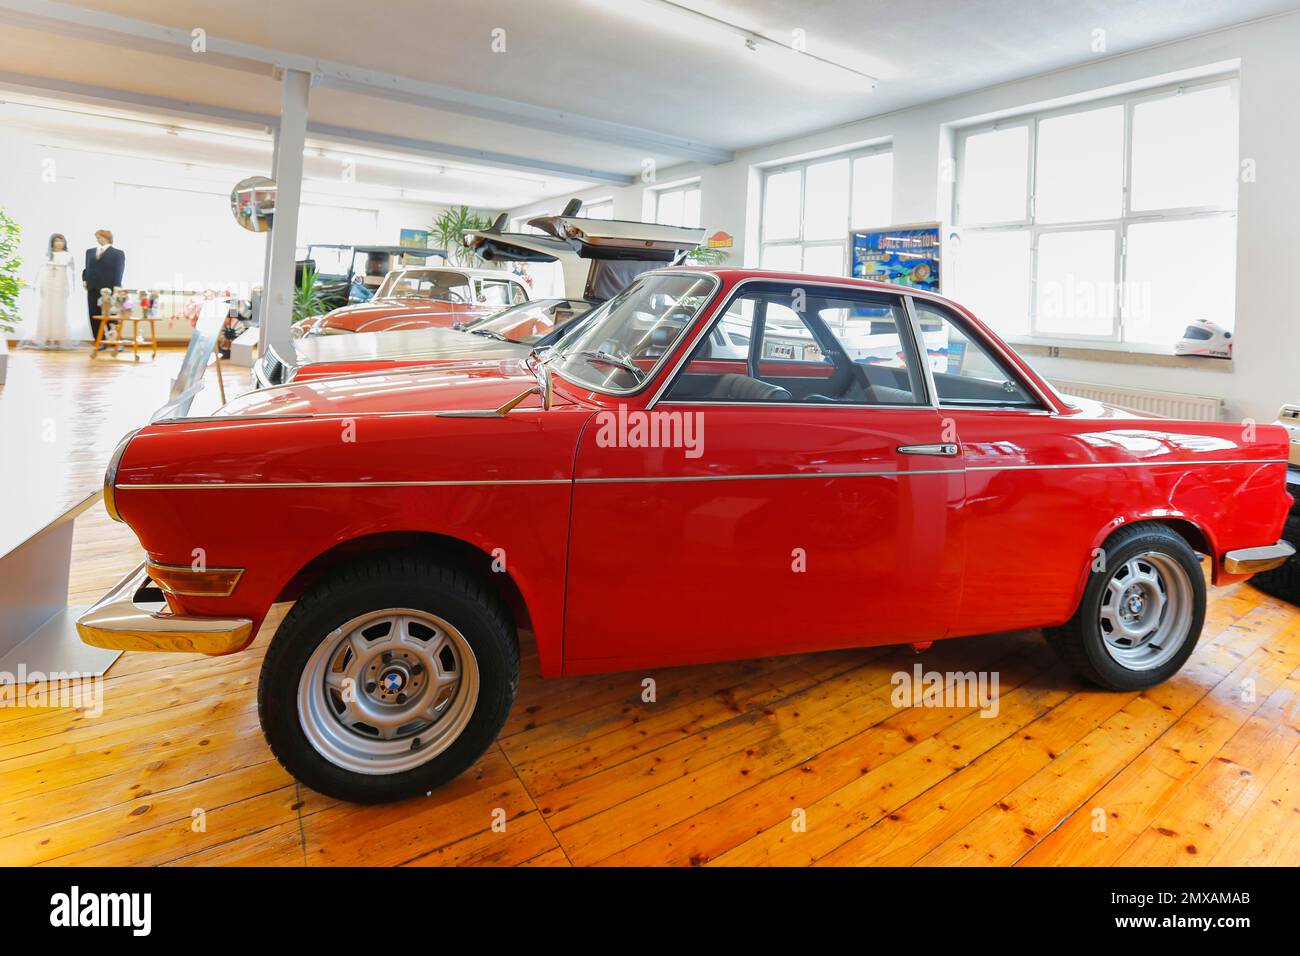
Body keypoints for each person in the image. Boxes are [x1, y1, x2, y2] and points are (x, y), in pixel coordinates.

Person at [23, 233, 79, 349]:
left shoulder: (68, 255)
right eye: (56, 241)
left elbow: (73, 272)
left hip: (61, 285)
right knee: (46, 310)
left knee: (60, 310)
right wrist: (35, 285)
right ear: (52, 242)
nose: (59, 243)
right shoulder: (46, 255)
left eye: (61, 241)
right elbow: (38, 271)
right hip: (47, 285)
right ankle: (45, 337)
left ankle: (59, 338)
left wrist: (72, 287)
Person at [83, 229, 125, 348]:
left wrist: (116, 287)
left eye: (100, 237)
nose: (98, 239)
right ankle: (99, 341)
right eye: (97, 237)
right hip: (92, 288)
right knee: (94, 315)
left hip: (109, 290)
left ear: (107, 237)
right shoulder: (90, 252)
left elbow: (119, 270)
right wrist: (85, 280)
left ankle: (117, 342)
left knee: (111, 317)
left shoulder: (118, 253)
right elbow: (86, 268)